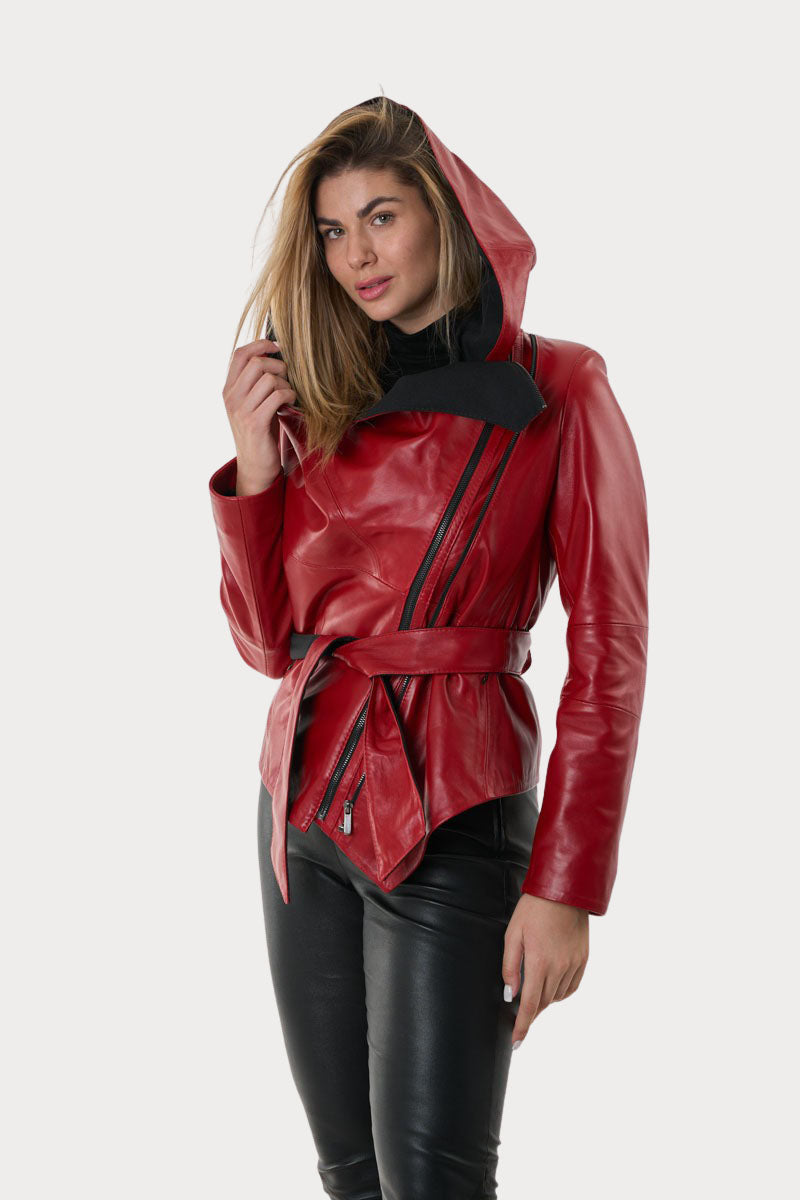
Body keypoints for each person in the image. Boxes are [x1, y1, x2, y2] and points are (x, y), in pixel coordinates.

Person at [208, 94, 649, 1200]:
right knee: (351, 1177)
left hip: (454, 818)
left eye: (381, 217)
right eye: (331, 229)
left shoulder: (561, 387)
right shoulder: (320, 397)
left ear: (446, 217)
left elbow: (611, 651)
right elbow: (268, 646)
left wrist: (566, 885)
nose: (354, 255)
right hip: (300, 812)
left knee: (433, 1183)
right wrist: (253, 467)